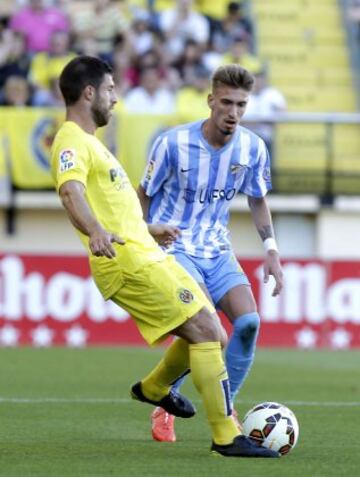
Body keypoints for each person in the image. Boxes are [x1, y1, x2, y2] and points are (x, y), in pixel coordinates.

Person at [50, 55, 279, 458]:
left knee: (214, 329)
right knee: (209, 331)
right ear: (89, 93)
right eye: (109, 89)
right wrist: (97, 231)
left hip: (143, 248)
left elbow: (114, 206)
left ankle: (156, 389)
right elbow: (72, 192)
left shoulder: (90, 143)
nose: (115, 98)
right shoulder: (71, 141)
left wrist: (146, 229)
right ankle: (226, 435)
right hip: (132, 261)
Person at [137, 63, 283, 443]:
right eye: (227, 103)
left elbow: (257, 200)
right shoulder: (172, 143)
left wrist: (271, 250)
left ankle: (222, 405)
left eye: (241, 105)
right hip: (176, 247)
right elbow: (143, 195)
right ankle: (169, 401)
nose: (233, 113)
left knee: (248, 325)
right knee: (209, 332)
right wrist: (141, 239)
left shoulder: (253, 147)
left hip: (218, 250)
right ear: (210, 100)